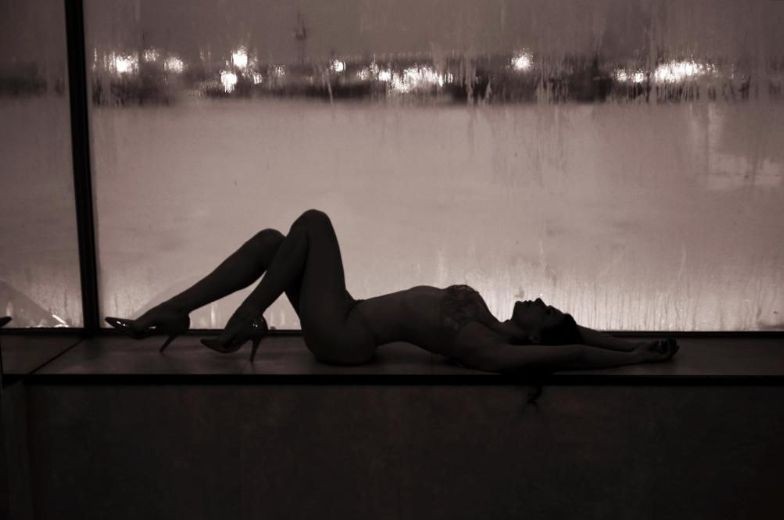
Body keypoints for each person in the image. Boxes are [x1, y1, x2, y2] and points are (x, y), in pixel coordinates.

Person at [105, 209, 678, 373]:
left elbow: (570, 352)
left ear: (533, 336)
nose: (538, 301)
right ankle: (172, 312)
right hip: (347, 313)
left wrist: (632, 360)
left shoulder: (487, 347)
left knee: (314, 222)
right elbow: (579, 334)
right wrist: (631, 341)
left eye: (543, 311)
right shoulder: (490, 321)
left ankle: (245, 317)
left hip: (345, 339)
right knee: (271, 242)